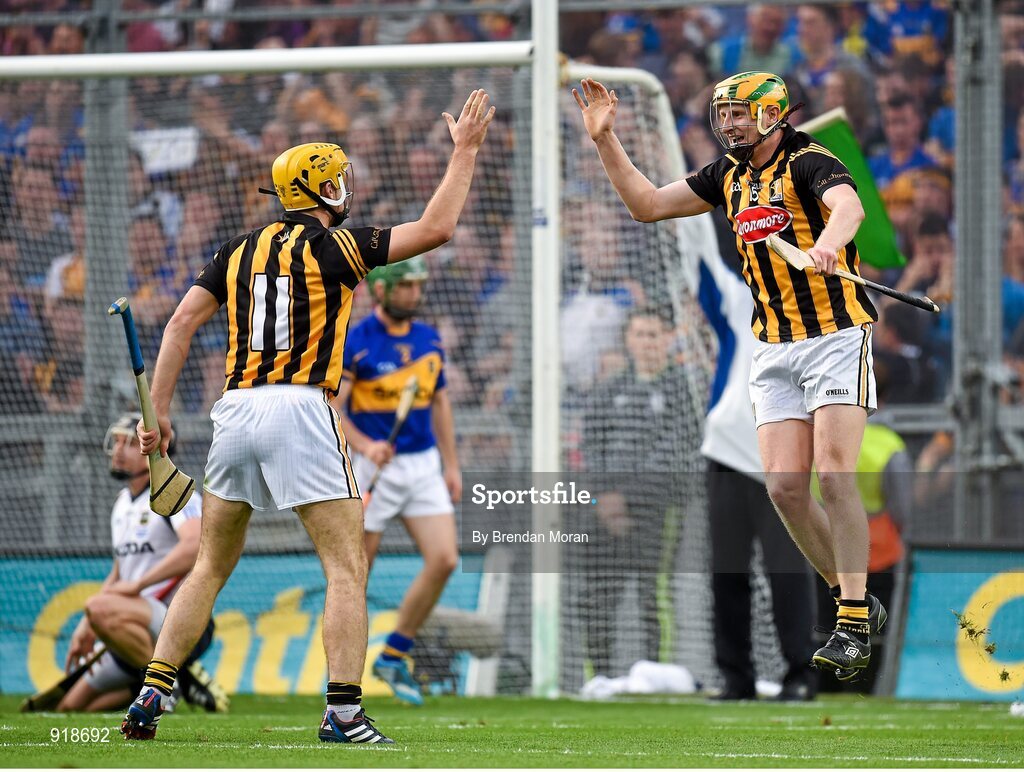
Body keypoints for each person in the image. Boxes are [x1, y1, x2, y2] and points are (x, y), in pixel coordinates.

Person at [121, 88, 495, 744]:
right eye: (340, 180)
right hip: (301, 407)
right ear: (322, 189)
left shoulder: (235, 251)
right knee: (345, 566)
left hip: (234, 412)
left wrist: (158, 413)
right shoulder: (339, 249)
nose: (347, 188)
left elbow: (180, 323)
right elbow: (436, 229)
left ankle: (151, 693)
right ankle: (344, 712)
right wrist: (463, 152)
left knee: (209, 563)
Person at [574, 71, 886, 683]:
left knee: (833, 470)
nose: (730, 125)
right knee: (785, 490)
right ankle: (858, 600)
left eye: (742, 114)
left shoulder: (809, 160)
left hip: (835, 335)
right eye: (724, 115)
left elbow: (849, 207)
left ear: (773, 114)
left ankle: (849, 620)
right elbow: (647, 206)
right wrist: (605, 139)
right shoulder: (727, 176)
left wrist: (827, 243)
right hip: (772, 345)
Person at [331, 256, 460, 706]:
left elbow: (440, 404)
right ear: (382, 290)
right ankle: (343, 679)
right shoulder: (357, 342)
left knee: (444, 559)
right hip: (373, 469)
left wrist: (451, 465)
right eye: (405, 286)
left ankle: (394, 653)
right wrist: (366, 446)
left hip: (421, 463)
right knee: (356, 576)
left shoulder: (429, 340)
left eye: (418, 286)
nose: (414, 293)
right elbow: (334, 410)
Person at [697, 233, 817, 701]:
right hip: (726, 452)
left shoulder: (818, 318)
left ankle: (801, 674)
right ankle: (735, 676)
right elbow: (702, 253)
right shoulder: (740, 300)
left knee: (787, 569)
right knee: (727, 571)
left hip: (784, 458)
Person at [59, 413, 226, 714]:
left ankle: (167, 683)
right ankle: (168, 680)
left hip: (179, 620)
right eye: (118, 441)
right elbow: (119, 571)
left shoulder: (174, 491)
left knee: (99, 608)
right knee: (71, 706)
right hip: (131, 626)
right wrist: (86, 626)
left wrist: (137, 586)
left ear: (153, 449)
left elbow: (194, 546)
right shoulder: (122, 503)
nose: (119, 450)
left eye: (130, 442)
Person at [578, 306, 702, 679]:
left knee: (653, 593)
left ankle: (655, 675)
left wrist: (626, 498)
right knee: (598, 595)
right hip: (604, 511)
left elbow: (676, 450)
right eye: (639, 334)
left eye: (654, 334)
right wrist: (604, 498)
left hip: (658, 509)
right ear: (628, 341)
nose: (647, 343)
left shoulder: (683, 389)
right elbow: (591, 446)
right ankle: (596, 678)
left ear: (668, 338)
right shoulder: (609, 389)